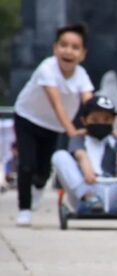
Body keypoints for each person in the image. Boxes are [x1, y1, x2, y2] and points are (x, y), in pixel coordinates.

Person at [13, 23, 94, 226]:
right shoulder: (47, 68)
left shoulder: (82, 76)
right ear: (55, 48)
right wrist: (74, 133)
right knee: (26, 164)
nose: (68, 51)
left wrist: (100, 128)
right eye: (64, 45)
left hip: (53, 127)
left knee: (43, 170)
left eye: (75, 47)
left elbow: (89, 105)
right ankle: (24, 209)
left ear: (83, 54)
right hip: (28, 118)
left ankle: (39, 187)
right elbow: (57, 105)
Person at [51, 96, 117, 214]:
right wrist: (87, 171)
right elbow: (80, 154)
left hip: (115, 190)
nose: (101, 123)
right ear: (84, 120)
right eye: (95, 120)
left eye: (106, 120)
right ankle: (89, 198)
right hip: (87, 189)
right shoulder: (79, 138)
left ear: (113, 121)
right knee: (59, 156)